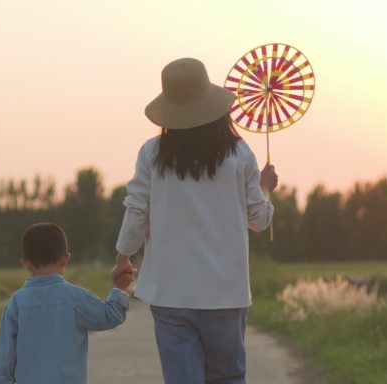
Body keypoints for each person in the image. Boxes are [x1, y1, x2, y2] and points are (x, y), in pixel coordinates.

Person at [112, 57, 278, 384]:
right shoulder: (240, 153)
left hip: (170, 291)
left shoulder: (151, 153)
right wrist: (266, 189)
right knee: (228, 377)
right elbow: (259, 220)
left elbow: (137, 211)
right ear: (213, 103)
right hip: (226, 292)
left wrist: (123, 256)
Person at [0, 222, 134, 384]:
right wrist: (120, 289)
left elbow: (4, 354)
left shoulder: (16, 304)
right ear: (65, 259)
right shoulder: (75, 298)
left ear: (25, 263)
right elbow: (109, 316)